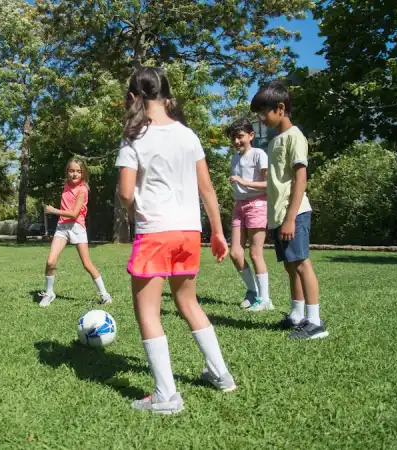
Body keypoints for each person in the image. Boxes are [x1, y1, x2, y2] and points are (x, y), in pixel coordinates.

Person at [116, 66, 236, 415]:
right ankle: (221, 375)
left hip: (154, 231)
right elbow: (207, 189)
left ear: (133, 97)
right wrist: (217, 232)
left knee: (148, 312)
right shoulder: (189, 135)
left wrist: (130, 203)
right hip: (188, 232)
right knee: (188, 303)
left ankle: (166, 396)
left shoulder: (134, 137)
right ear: (165, 95)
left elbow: (125, 192)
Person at [250, 81, 328, 340]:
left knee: (302, 264)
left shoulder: (295, 137)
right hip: (278, 215)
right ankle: (297, 315)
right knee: (290, 267)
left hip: (293, 213)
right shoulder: (274, 142)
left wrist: (290, 218)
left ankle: (315, 322)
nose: (261, 118)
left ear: (280, 108)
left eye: (264, 112)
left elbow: (300, 180)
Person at [38, 158, 113, 307]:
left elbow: (74, 213)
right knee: (50, 262)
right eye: (72, 170)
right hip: (62, 227)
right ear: (67, 172)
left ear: (83, 173)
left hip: (77, 227)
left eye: (78, 171)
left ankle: (104, 295)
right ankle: (49, 292)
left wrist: (54, 211)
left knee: (87, 264)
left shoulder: (83, 189)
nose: (75, 174)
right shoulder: (66, 185)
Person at [226, 118, 272, 311]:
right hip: (240, 206)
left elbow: (269, 184)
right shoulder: (235, 158)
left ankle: (265, 300)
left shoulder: (259, 154)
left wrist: (244, 182)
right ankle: (253, 292)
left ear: (251, 135)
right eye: (233, 138)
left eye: (240, 136)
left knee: (255, 253)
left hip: (257, 205)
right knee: (235, 253)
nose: (237, 141)